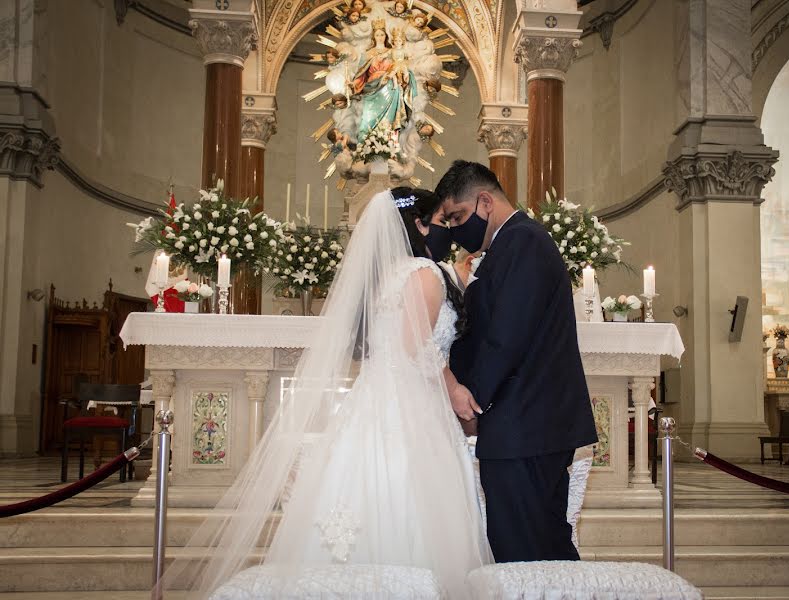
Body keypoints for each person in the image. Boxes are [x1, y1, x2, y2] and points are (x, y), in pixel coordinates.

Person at [159, 188, 491, 598]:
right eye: (441, 222)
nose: (447, 231)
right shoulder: (422, 273)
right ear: (419, 225)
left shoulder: (385, 276)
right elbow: (417, 351)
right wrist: (455, 387)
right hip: (414, 410)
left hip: (374, 402)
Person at [436, 160, 598, 563]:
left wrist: (471, 400)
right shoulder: (507, 245)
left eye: (458, 217)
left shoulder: (523, 241)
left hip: (528, 425)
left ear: (485, 202)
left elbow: (506, 336)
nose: (456, 231)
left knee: (529, 551)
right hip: (523, 426)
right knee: (529, 547)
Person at [351, 19, 417, 142]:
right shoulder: (367, 54)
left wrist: (405, 75)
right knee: (368, 117)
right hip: (372, 87)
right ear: (373, 37)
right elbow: (361, 74)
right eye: (377, 35)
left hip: (390, 87)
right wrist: (353, 85)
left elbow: (401, 66)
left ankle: (388, 142)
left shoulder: (391, 52)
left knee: (389, 119)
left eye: (382, 34)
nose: (380, 37)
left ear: (386, 36)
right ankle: (366, 143)